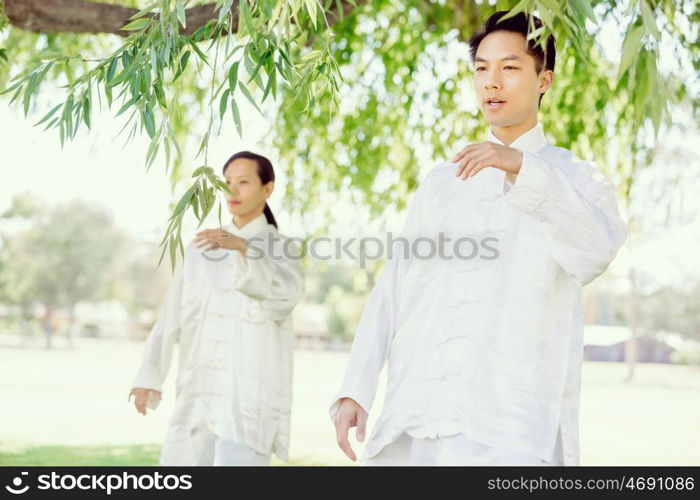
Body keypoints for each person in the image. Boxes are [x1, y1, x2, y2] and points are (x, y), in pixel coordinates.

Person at [329, 11, 629, 466]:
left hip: (510, 427)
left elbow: (595, 252)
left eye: (509, 68)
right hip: (417, 416)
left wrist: (519, 167)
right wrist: (357, 387)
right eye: (481, 68)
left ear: (543, 79)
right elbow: (394, 288)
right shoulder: (441, 182)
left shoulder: (575, 179)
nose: (492, 82)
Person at [129, 151, 305, 466]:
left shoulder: (281, 248)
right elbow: (171, 314)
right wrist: (149, 374)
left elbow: (284, 297)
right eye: (227, 182)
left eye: (244, 182)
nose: (232, 191)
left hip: (248, 400)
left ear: (268, 189)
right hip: (199, 393)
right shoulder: (201, 248)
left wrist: (242, 248)